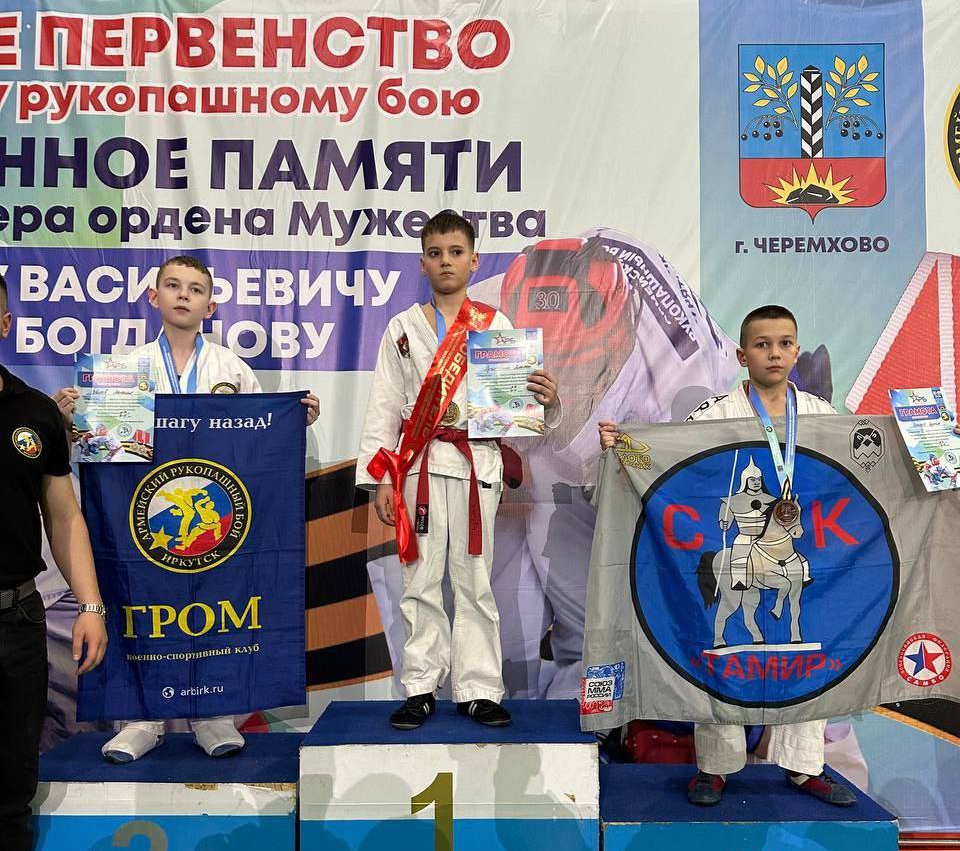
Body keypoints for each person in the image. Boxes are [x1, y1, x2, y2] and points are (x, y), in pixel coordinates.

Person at [56, 254, 319, 763]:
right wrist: (72, 419)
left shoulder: (231, 369)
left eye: (195, 289)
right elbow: (98, 452)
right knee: (139, 604)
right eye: (173, 286)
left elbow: (257, 444)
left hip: (214, 510)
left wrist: (293, 421)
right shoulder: (121, 372)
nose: (183, 295)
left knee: (219, 603)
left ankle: (212, 715)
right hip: (141, 514)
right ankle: (141, 720)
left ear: (210, 306)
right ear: (154, 298)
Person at [600, 304, 857, 808]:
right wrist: (622, 447)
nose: (774, 353)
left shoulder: (822, 417)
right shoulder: (715, 414)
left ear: (796, 351)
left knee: (810, 649)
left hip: (801, 543)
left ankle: (805, 765)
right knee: (721, 648)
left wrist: (929, 445)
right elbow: (666, 458)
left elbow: (867, 463)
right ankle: (715, 766)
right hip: (737, 544)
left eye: (784, 344)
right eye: (762, 345)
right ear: (742, 355)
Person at [356, 211, 560, 729]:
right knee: (419, 578)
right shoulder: (402, 328)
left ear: (473, 261)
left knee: (474, 579)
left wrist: (545, 401)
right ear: (422, 263)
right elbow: (384, 408)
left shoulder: (495, 326)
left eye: (455, 252)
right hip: (418, 466)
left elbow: (516, 411)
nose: (445, 261)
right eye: (435, 253)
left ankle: (479, 688)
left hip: (475, 465)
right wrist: (381, 479)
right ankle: (420, 685)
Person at [0, 274, 108, 851]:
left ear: (6, 320)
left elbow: (63, 517)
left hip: (15, 623)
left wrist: (90, 604)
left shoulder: (34, 412)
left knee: (11, 793)